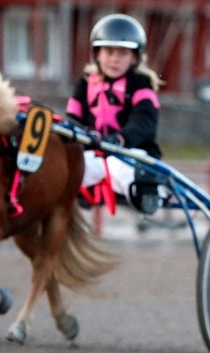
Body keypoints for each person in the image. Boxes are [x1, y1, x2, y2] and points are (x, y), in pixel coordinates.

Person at [66, 13, 163, 214]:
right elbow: (72, 119)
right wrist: (80, 137)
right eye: (109, 52)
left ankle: (149, 194)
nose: (114, 59)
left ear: (134, 57)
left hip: (131, 154)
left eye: (123, 53)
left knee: (118, 167)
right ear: (97, 54)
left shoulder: (141, 84)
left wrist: (120, 139)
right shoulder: (86, 82)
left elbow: (144, 122)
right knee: (69, 168)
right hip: (95, 153)